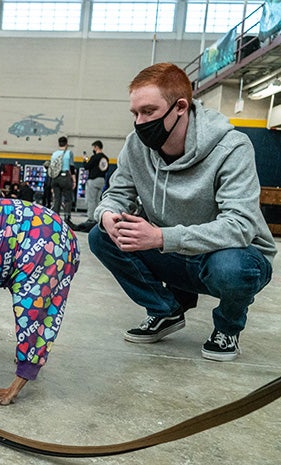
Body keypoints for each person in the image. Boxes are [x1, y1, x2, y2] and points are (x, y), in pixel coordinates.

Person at [88, 62, 276, 362]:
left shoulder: (232, 147)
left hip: (231, 257)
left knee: (231, 268)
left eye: (148, 111)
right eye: (135, 113)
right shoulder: (136, 146)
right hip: (175, 253)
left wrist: (162, 237)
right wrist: (108, 214)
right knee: (101, 237)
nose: (139, 122)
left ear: (180, 107)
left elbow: (240, 226)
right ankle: (166, 310)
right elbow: (116, 194)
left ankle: (227, 328)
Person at [75, 140, 109, 232]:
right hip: (102, 180)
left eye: (93, 147)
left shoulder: (95, 157)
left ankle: (91, 219)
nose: (93, 149)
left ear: (96, 147)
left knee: (91, 200)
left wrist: (85, 160)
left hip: (93, 180)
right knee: (99, 200)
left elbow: (86, 167)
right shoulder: (105, 158)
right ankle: (98, 218)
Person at [49, 136, 75, 224]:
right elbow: (71, 167)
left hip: (55, 178)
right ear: (67, 144)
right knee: (68, 198)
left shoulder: (54, 154)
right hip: (65, 177)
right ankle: (67, 218)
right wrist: (74, 180)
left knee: (57, 198)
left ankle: (55, 218)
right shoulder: (68, 153)